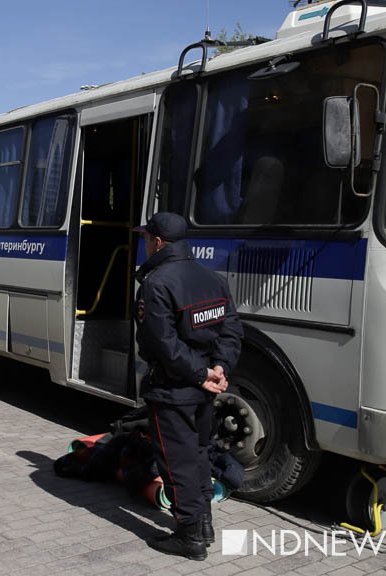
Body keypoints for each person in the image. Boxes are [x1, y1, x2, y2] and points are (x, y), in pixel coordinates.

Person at [134, 212, 243, 561]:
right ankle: (205, 522)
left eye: (146, 238)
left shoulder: (156, 283)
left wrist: (200, 373)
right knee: (198, 454)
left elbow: (163, 344)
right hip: (203, 389)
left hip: (173, 388)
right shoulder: (213, 279)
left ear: (158, 242)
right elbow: (231, 330)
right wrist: (219, 368)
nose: (144, 243)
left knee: (176, 461)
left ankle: (190, 536)